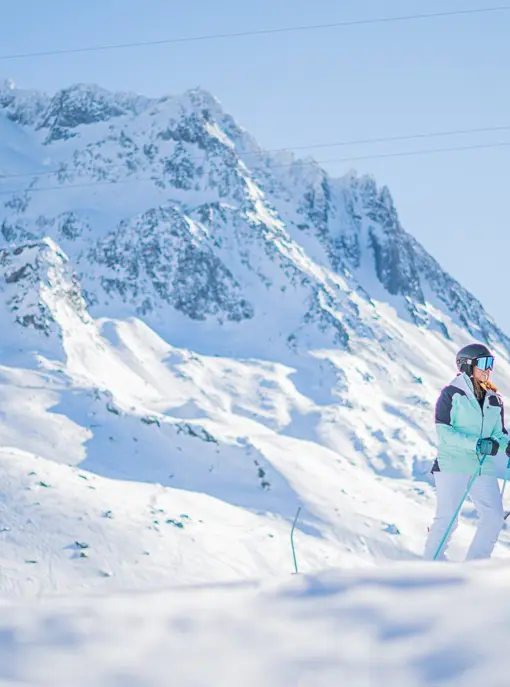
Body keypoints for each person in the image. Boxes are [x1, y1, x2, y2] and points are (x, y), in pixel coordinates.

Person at [423, 342, 510, 561]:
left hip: (482, 467)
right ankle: (430, 565)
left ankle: (476, 565)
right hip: (453, 464)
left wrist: (506, 444)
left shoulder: (494, 399)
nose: (488, 369)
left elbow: (499, 433)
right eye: (483, 363)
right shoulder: (451, 394)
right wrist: (477, 444)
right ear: (467, 366)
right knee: (448, 519)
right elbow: (445, 434)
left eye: (491, 363)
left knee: (494, 517)